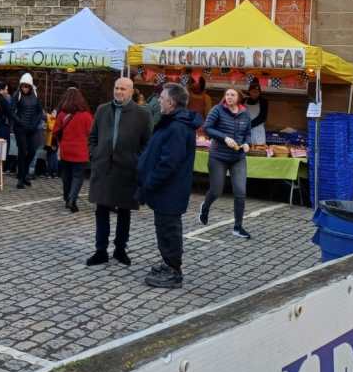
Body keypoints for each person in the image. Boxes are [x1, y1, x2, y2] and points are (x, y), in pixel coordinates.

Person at [140, 83, 202, 289]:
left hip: (170, 189)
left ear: (172, 102)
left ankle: (174, 271)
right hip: (166, 190)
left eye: (162, 98)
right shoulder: (173, 122)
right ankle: (168, 263)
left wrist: (150, 182)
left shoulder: (177, 127)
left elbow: (169, 162)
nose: (159, 100)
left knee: (169, 230)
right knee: (164, 228)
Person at [86, 77, 153, 266]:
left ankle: (120, 249)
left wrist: (136, 160)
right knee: (101, 210)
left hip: (127, 170)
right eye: (116, 88)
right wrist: (95, 153)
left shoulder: (142, 114)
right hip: (103, 168)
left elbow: (148, 143)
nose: (119, 91)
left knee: (124, 211)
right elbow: (93, 136)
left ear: (131, 91)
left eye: (123, 89)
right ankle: (100, 250)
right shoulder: (102, 110)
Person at [200, 88, 253, 239]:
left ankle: (238, 227)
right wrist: (224, 138)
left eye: (232, 95)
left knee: (240, 192)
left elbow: (248, 133)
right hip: (218, 157)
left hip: (238, 157)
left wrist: (247, 143)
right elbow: (207, 128)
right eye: (227, 94)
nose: (229, 97)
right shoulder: (217, 110)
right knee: (216, 191)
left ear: (239, 98)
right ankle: (205, 207)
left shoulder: (245, 113)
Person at [53, 87, 93, 213]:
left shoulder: (61, 114)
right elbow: (91, 133)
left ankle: (66, 197)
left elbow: (56, 131)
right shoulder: (86, 116)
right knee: (77, 177)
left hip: (65, 150)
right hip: (80, 151)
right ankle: (72, 199)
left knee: (66, 176)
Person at [11, 73, 43, 190]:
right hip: (20, 128)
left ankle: (24, 174)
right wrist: (19, 122)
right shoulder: (17, 94)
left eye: (27, 86)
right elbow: (12, 111)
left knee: (33, 151)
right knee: (22, 151)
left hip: (32, 128)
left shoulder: (35, 94)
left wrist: (35, 123)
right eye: (23, 86)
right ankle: (20, 178)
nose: (25, 88)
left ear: (30, 86)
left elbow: (40, 111)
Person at [245, 80, 269, 147]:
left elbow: (262, 117)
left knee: (259, 147)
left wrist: (249, 125)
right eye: (253, 92)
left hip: (258, 129)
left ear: (259, 93)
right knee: (247, 146)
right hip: (246, 129)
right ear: (249, 92)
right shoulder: (244, 100)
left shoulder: (263, 102)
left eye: (257, 92)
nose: (255, 94)